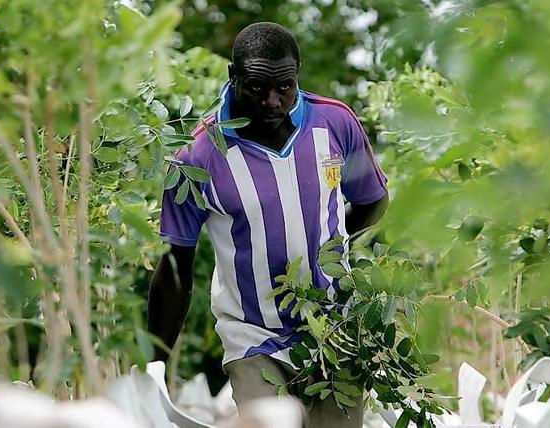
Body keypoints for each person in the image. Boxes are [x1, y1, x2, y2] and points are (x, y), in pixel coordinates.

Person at [147, 22, 388, 428]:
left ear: (297, 77)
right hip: (252, 335)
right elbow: (175, 269)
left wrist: (332, 252)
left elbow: (373, 202)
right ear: (234, 77)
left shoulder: (335, 124)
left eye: (285, 87)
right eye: (258, 87)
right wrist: (153, 369)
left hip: (334, 327)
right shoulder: (197, 157)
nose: (273, 101)